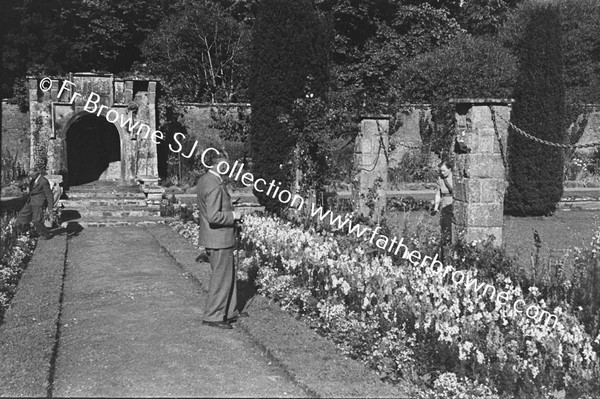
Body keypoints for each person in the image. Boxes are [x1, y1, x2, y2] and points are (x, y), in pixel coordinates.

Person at [197, 149, 245, 330]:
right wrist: (234, 215)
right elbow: (214, 216)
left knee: (228, 276)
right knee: (221, 278)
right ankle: (214, 316)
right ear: (219, 164)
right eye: (226, 164)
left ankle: (229, 311)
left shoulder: (205, 180)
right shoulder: (215, 185)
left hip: (215, 238)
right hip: (219, 238)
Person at [16, 167, 54, 240]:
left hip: (38, 203)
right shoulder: (33, 180)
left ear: (36, 173)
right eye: (29, 175)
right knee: (21, 216)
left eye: (31, 175)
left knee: (37, 221)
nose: (30, 176)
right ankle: (21, 234)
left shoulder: (43, 181)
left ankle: (47, 234)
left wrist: (50, 208)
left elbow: (49, 195)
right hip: (30, 201)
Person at [431, 160, 453, 248]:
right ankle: (445, 246)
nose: (442, 172)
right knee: (444, 226)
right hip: (444, 203)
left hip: (452, 202)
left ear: (450, 169)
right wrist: (435, 208)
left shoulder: (454, 178)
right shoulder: (440, 178)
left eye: (444, 170)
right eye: (441, 171)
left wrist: (448, 182)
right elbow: (438, 193)